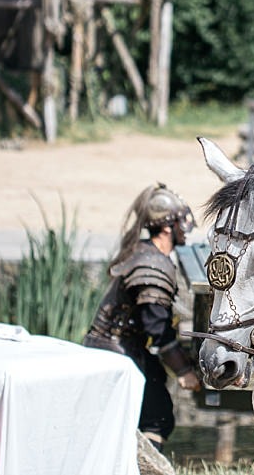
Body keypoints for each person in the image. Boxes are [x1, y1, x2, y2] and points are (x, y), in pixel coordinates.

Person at [84, 183, 201, 453]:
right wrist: (183, 371)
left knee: (157, 408)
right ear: (168, 226)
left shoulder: (145, 252)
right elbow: (156, 326)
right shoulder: (152, 263)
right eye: (181, 221)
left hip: (124, 349)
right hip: (117, 353)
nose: (186, 227)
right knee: (156, 416)